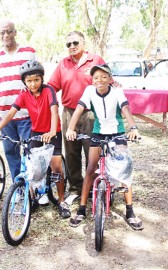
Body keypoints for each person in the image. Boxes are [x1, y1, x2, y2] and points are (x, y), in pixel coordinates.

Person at [0, 60, 71, 218]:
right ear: (24, 82)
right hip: (36, 132)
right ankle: (33, 197)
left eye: (36, 80)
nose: (33, 84)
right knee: (33, 168)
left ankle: (61, 201)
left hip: (53, 132)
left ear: (42, 79)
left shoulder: (49, 91)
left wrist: (53, 131)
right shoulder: (24, 95)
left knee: (56, 167)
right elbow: (11, 113)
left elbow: (54, 111)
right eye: (29, 81)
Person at [66, 64, 144, 230]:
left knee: (124, 171)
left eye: (103, 77)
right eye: (95, 77)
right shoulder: (89, 91)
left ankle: (130, 211)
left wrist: (133, 127)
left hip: (117, 133)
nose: (99, 80)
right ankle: (81, 210)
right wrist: (70, 128)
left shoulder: (116, 91)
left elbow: (125, 108)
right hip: (98, 133)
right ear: (92, 80)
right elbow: (79, 109)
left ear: (110, 79)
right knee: (90, 169)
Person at [48, 31, 106, 205]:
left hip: (91, 114)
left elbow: (106, 81)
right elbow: (52, 86)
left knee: (92, 151)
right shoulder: (63, 64)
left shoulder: (96, 60)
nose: (72, 47)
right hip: (69, 113)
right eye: (68, 44)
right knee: (71, 152)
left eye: (75, 43)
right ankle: (75, 188)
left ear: (83, 43)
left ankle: (94, 188)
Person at [0, 19, 36, 184]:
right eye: (2, 32)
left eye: (9, 31)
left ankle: (32, 188)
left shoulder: (28, 52)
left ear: (15, 32)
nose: (6, 35)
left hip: (26, 114)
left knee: (31, 152)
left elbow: (37, 81)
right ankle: (18, 187)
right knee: (11, 153)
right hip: (4, 116)